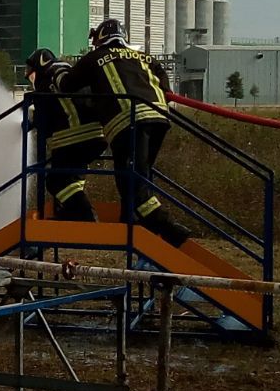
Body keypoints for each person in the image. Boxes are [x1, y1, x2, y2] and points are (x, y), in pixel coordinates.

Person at [35, 19, 192, 246]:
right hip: (159, 119)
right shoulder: (144, 57)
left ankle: (167, 228)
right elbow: (165, 87)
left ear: (100, 37)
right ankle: (130, 219)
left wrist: (56, 72)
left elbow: (68, 85)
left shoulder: (94, 58)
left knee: (131, 183)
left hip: (127, 122)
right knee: (139, 175)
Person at [24, 48, 104, 221]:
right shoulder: (70, 73)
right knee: (72, 178)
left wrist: (30, 123)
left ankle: (86, 215)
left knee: (55, 181)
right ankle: (70, 212)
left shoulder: (46, 81)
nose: (32, 80)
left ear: (40, 66)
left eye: (32, 75)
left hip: (73, 136)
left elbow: (43, 117)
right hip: (97, 135)